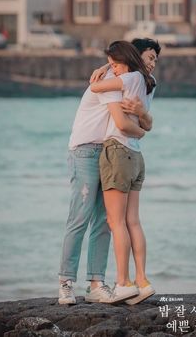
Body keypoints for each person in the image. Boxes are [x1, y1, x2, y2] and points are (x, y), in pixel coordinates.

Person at [58, 45, 148, 305]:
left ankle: (96, 283)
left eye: (115, 63)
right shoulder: (110, 81)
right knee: (80, 217)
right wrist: (142, 132)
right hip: (86, 150)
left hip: (109, 151)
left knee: (105, 219)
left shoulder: (123, 79)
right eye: (112, 64)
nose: (114, 67)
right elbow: (121, 123)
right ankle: (65, 282)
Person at [90, 40, 157, 304]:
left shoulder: (128, 77)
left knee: (115, 222)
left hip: (117, 151)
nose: (113, 68)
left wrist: (104, 69)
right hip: (136, 156)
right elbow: (144, 122)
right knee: (133, 222)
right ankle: (142, 281)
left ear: (125, 60)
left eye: (115, 63)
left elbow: (95, 87)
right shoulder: (146, 81)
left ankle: (123, 282)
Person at [90, 38, 161, 134]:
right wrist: (106, 67)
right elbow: (122, 124)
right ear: (136, 54)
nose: (153, 65)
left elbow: (148, 126)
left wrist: (142, 113)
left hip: (127, 142)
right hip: (107, 141)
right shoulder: (113, 74)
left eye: (155, 61)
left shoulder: (150, 81)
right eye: (151, 58)